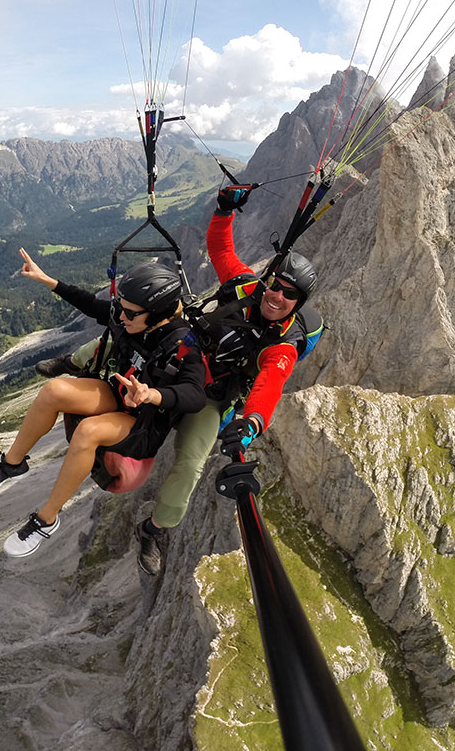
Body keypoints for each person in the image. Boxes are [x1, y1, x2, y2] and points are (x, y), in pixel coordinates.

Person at [130, 185, 321, 575]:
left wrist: (251, 422)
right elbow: (221, 250)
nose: (277, 296)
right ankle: (73, 364)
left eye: (290, 295)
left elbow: (270, 384)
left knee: (190, 465)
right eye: (276, 285)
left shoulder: (282, 345)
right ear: (268, 281)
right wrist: (223, 209)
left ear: (298, 305)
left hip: (208, 398)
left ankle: (153, 530)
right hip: (180, 362)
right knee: (122, 344)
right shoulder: (246, 286)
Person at [0, 248, 206, 558]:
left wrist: (153, 394)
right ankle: (13, 464)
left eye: (130, 313)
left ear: (158, 313)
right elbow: (94, 306)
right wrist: (47, 280)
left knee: (88, 432)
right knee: (54, 390)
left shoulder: (182, 344)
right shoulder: (132, 318)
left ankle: (46, 519)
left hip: (144, 423)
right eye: (122, 309)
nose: (121, 316)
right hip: (119, 395)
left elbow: (195, 394)